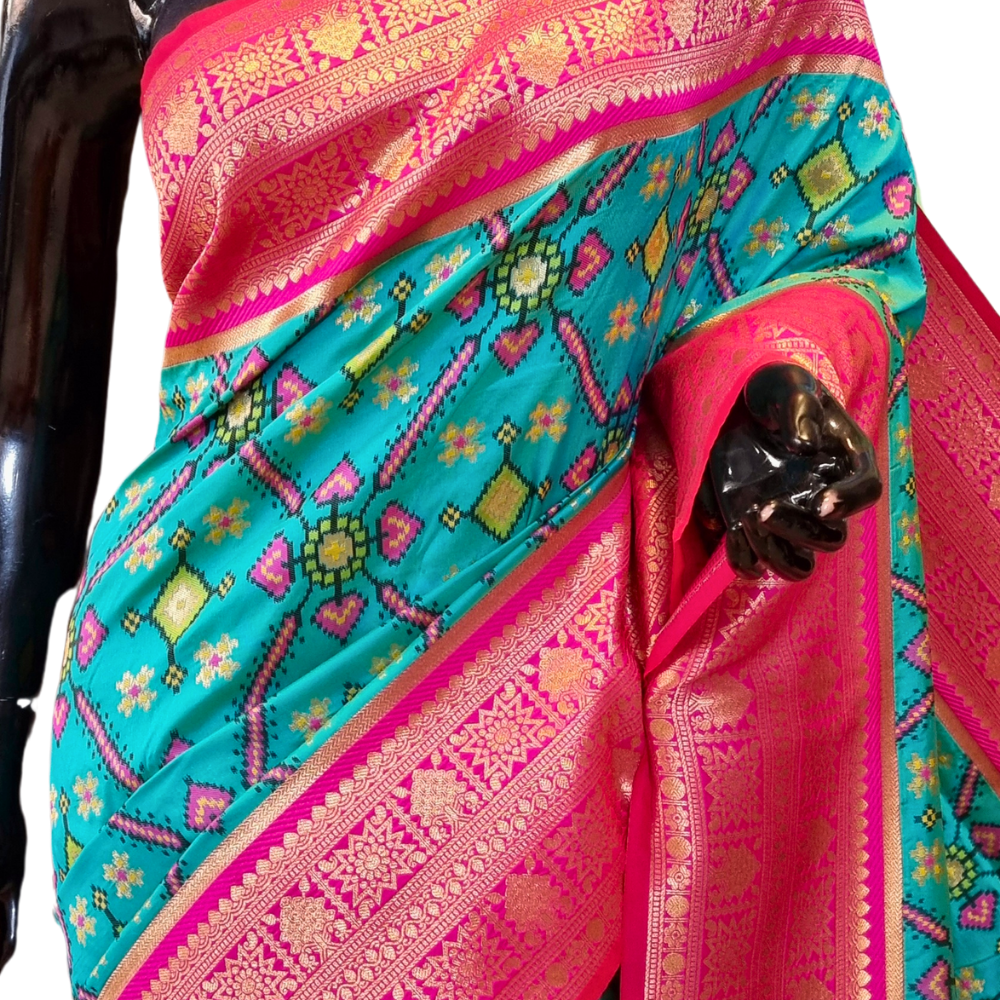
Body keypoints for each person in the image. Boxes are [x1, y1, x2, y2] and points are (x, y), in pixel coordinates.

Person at [0, 0, 997, 997]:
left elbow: (806, 225)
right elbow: (23, 409)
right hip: (182, 747)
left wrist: (773, 383)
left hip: (553, 719)